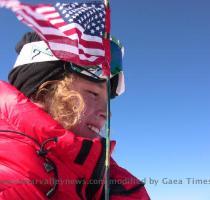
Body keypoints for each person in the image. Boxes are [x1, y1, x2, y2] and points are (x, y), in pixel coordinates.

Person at [0, 32, 150, 200]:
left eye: (107, 101)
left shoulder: (118, 184)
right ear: (42, 93)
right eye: (93, 93)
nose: (106, 113)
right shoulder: (11, 184)